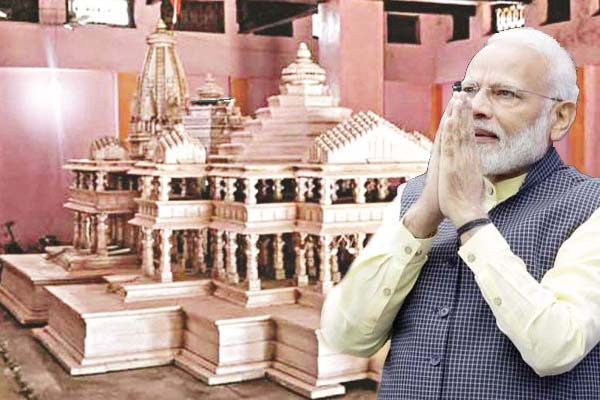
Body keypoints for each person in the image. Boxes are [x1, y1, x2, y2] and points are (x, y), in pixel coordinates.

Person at [320, 27, 600, 399]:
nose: (476, 108)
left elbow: (556, 347)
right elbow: (346, 336)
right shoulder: (414, 197)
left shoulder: (590, 206)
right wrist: (424, 216)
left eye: (505, 93)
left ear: (559, 117)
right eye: (468, 91)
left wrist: (470, 219)